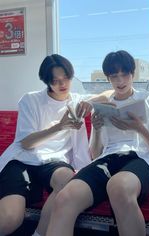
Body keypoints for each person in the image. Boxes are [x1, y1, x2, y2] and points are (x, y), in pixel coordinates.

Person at [45, 50, 149, 236]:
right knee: (65, 197)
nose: (120, 81)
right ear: (108, 78)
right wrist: (96, 129)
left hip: (144, 156)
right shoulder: (104, 105)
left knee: (119, 186)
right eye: (114, 76)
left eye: (125, 74)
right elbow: (96, 155)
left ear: (132, 74)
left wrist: (139, 128)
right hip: (110, 157)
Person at [0, 54, 94, 236]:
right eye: (55, 81)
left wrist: (90, 103)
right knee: (10, 219)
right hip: (23, 160)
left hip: (54, 162)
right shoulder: (31, 100)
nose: (62, 84)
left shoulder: (76, 101)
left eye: (66, 78)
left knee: (67, 178)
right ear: (47, 82)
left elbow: (109, 95)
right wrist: (60, 126)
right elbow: (26, 143)